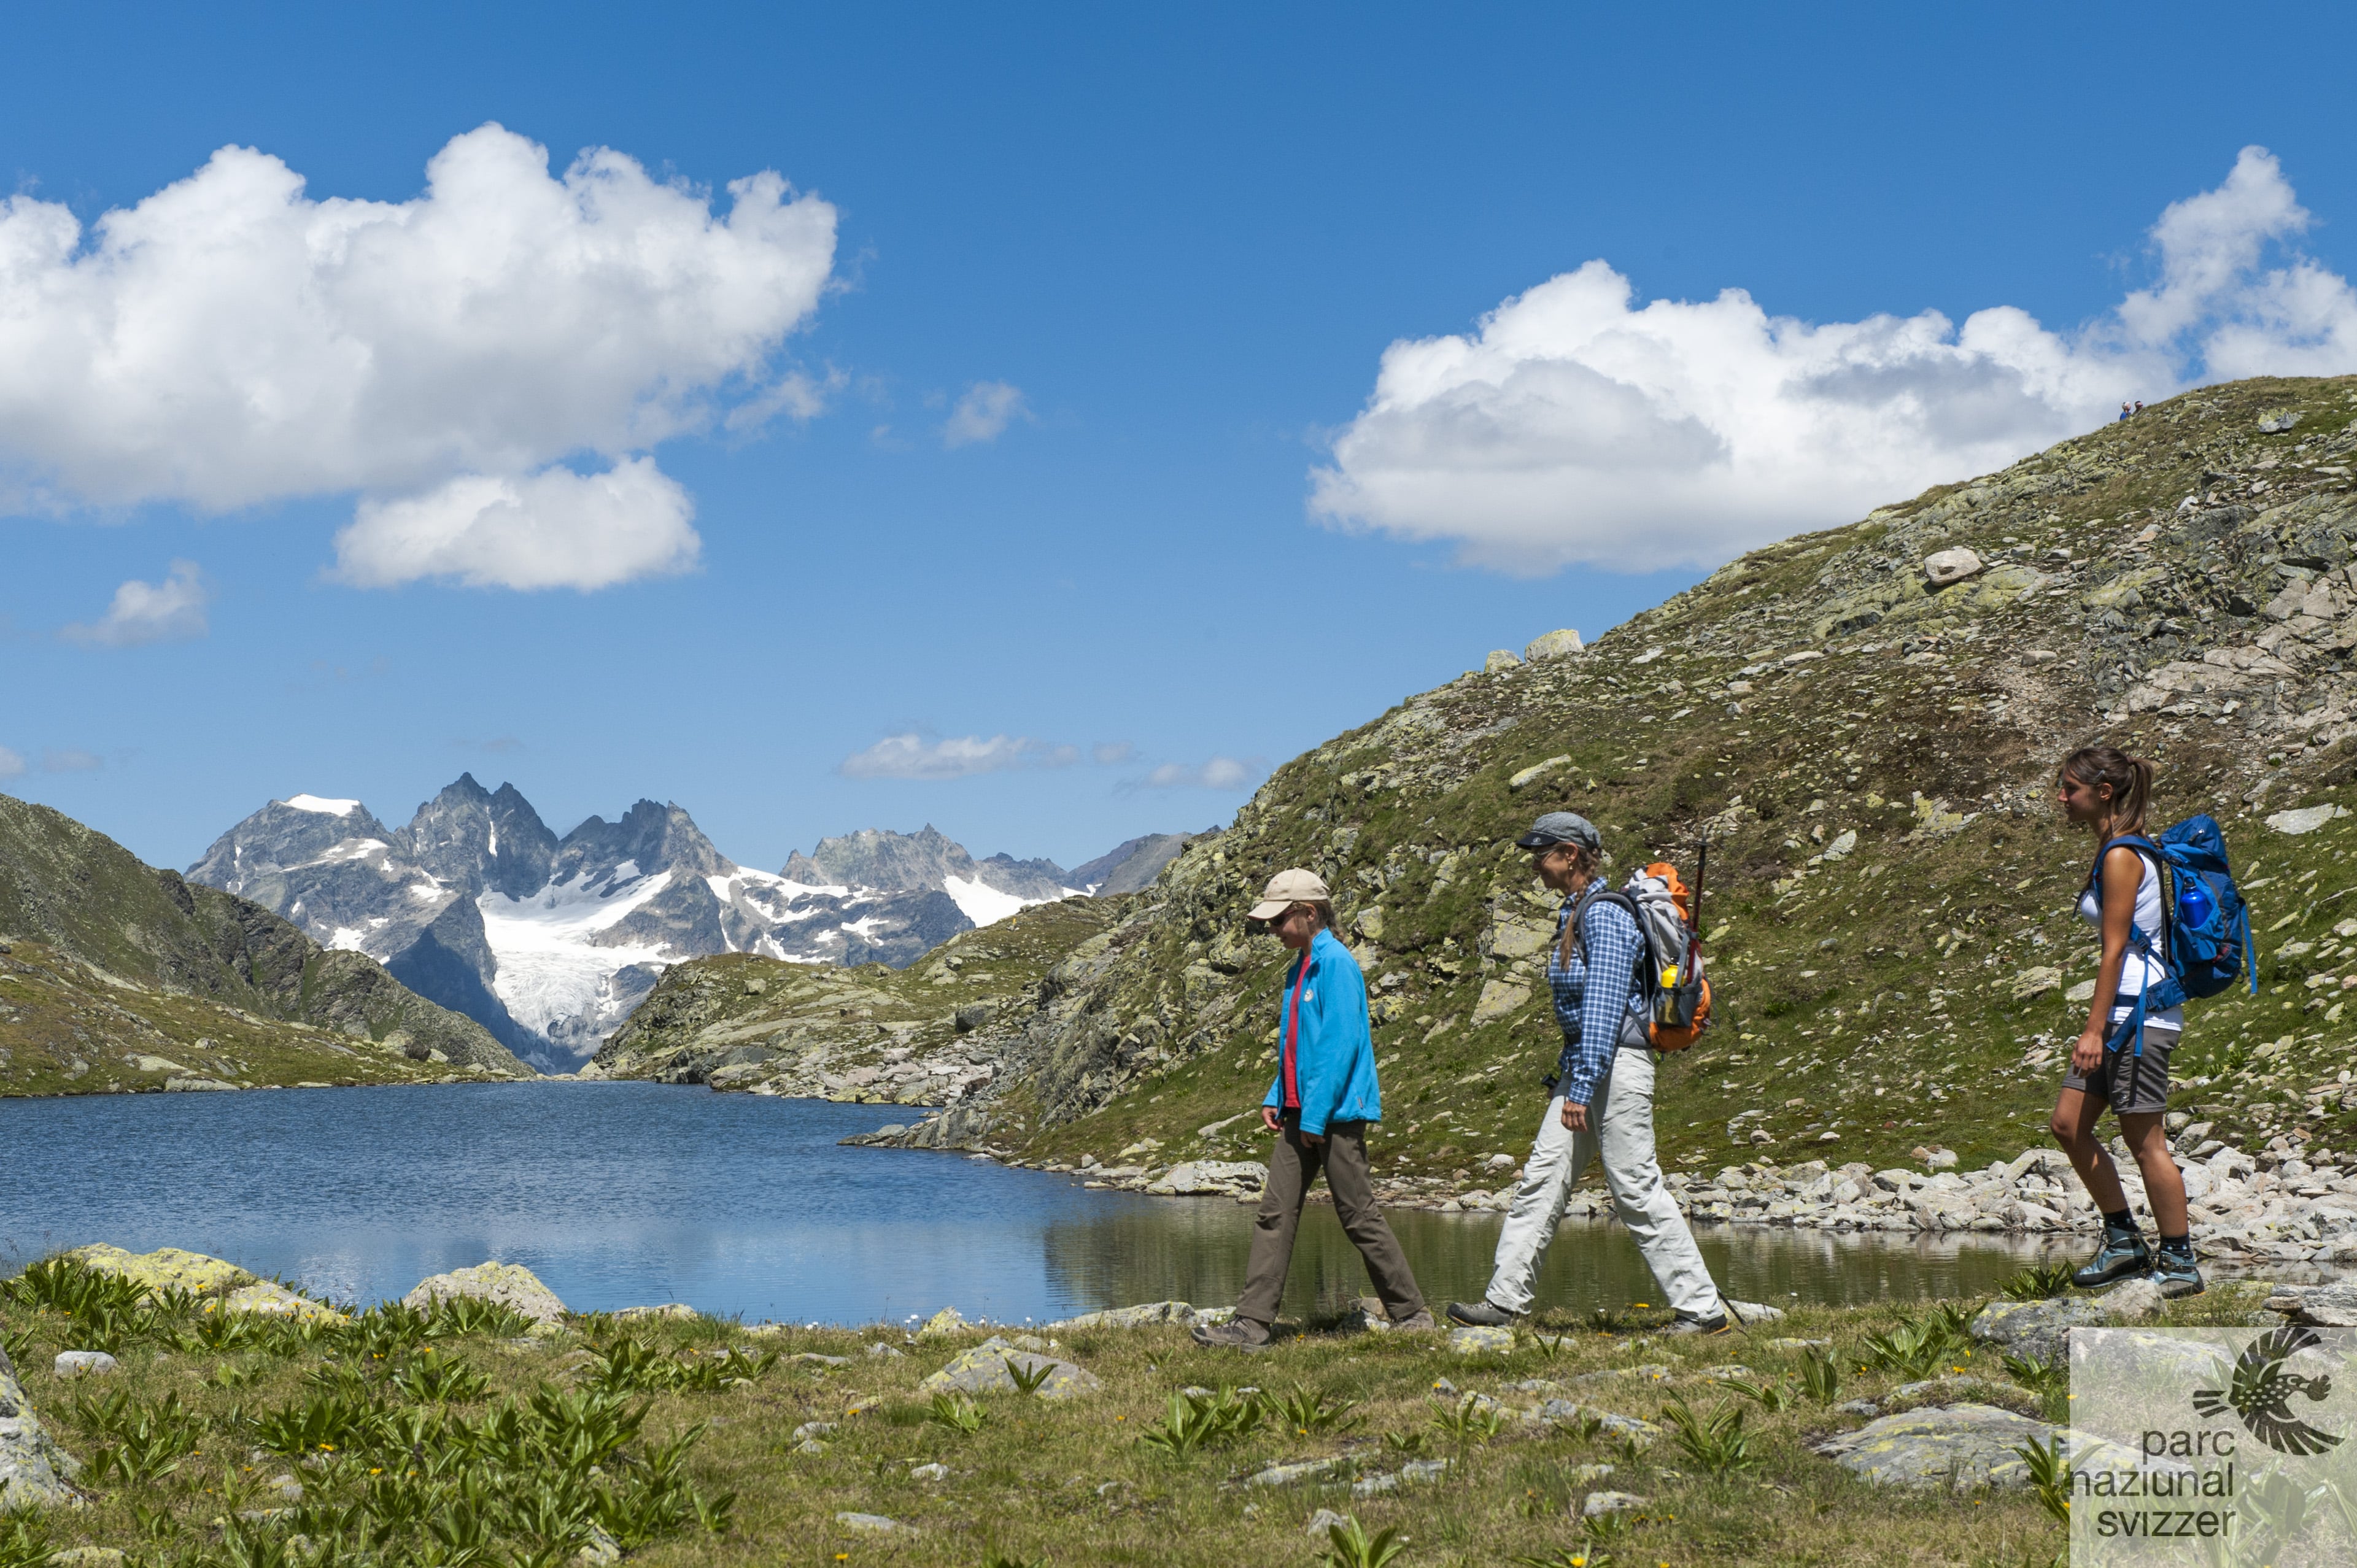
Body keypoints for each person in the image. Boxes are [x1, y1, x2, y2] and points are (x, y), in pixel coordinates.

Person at [1447, 813, 1732, 1335]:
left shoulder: (1603, 916)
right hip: (1587, 1066)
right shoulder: (1577, 912)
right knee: (1542, 1179)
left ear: (1570, 854)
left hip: (1613, 1067)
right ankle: (1504, 1301)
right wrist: (1574, 1077)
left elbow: (1602, 1009)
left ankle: (1703, 1309)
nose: (1534, 863)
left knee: (1635, 1187)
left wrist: (1579, 1088)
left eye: (1541, 853)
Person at [1194, 868, 1434, 1348]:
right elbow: (1298, 1046)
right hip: (1301, 1112)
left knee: (1358, 1214)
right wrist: (1276, 1095)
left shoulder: (1336, 964)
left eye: (1279, 919)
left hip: (1335, 1116)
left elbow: (1338, 1047)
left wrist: (1316, 1116)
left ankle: (1412, 1314)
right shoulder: (1300, 964)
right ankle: (1252, 1324)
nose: (1273, 929)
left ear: (1308, 913)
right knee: (1274, 1212)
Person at [2051, 746, 2201, 1297]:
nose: (2062, 798)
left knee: (2145, 1141)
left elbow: (2115, 950)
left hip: (2139, 1015)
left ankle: (2180, 1259)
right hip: (2122, 1014)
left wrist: (2093, 1030)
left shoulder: (2121, 856)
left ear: (2104, 792)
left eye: (2070, 788)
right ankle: (2124, 1241)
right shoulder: (2113, 848)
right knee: (2068, 1123)